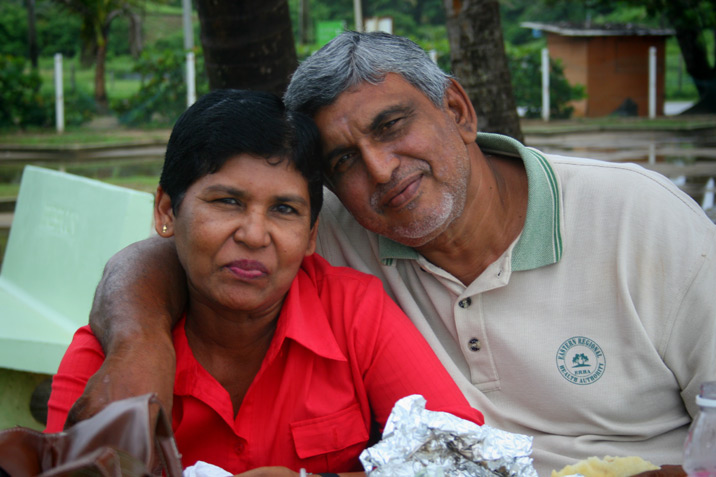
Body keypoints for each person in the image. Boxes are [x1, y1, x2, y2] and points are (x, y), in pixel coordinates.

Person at [67, 32, 715, 475]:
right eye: (344, 160)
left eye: (392, 125)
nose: (380, 170)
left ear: (458, 108)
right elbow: (175, 253)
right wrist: (138, 341)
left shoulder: (639, 216)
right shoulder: (340, 234)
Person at [45, 89, 485, 476]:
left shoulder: (352, 312)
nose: (254, 235)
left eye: (285, 210)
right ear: (165, 211)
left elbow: (464, 460)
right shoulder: (113, 355)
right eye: (227, 201)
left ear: (312, 234)